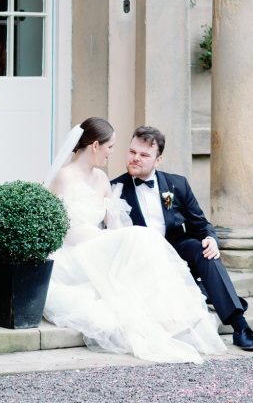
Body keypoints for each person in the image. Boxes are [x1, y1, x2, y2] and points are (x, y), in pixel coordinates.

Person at [42, 116, 227, 364]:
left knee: (140, 239)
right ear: (95, 146)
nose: (111, 154)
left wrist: (119, 238)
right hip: (73, 254)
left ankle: (171, 316)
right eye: (110, 148)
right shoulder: (65, 177)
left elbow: (114, 225)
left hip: (98, 248)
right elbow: (59, 229)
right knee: (141, 236)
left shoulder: (102, 180)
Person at [111, 125, 253, 351]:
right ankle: (206, 291)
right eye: (132, 152)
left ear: (158, 160)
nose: (135, 158)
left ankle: (240, 326)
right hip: (140, 260)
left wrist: (211, 238)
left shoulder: (177, 185)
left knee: (204, 250)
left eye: (144, 155)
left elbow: (201, 224)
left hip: (175, 250)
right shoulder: (116, 188)